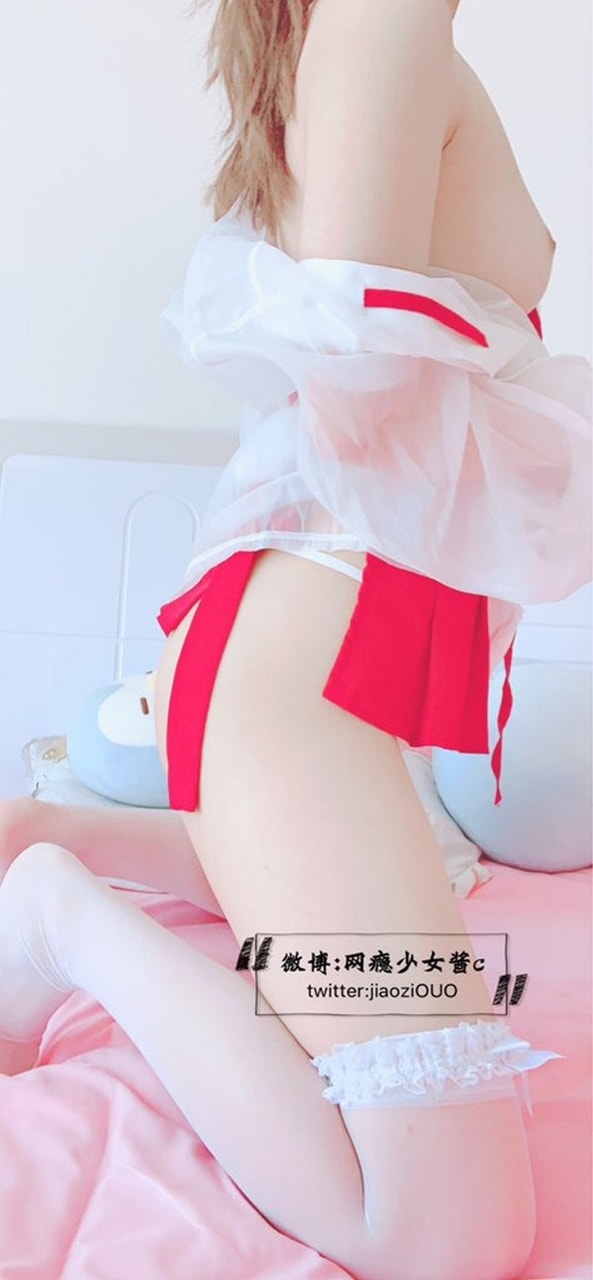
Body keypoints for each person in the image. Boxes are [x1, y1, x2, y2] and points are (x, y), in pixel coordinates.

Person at [0, 2, 590, 1277]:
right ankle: (57, 910)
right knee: (447, 1233)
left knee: (413, 907)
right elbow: (347, 360)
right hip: (290, 685)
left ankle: (67, 836)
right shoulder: (381, 13)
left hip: (295, 669)